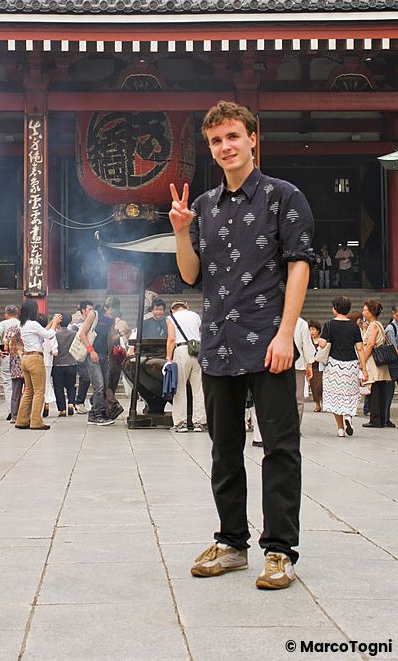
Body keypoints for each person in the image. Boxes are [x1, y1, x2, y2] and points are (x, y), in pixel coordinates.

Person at [169, 100, 313, 591]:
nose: (225, 147)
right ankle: (232, 542)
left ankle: (279, 551)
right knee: (223, 449)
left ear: (253, 138)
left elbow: (299, 265)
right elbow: (190, 275)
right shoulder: (205, 206)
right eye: (216, 141)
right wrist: (181, 231)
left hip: (269, 337)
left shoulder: (284, 196)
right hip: (218, 343)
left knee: (279, 448)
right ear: (210, 149)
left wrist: (285, 334)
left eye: (233, 136)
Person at [316, 297, 364, 437]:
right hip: (351, 365)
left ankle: (340, 429)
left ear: (335, 309)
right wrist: (364, 369)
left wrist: (319, 339)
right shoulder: (354, 326)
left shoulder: (329, 325)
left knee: (335, 395)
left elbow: (323, 344)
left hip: (334, 365)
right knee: (349, 394)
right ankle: (348, 416)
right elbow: (360, 348)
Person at [15, 300, 61, 431]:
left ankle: (22, 420)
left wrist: (52, 322)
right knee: (39, 391)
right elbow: (49, 335)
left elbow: (41, 335)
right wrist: (55, 323)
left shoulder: (23, 324)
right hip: (36, 359)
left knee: (29, 391)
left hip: (26, 359)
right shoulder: (33, 324)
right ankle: (36, 421)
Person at [78, 296, 124, 426]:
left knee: (105, 385)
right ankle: (97, 415)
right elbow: (82, 333)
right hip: (92, 353)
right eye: (111, 311)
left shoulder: (112, 319)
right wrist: (91, 350)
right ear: (105, 307)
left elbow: (110, 337)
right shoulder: (94, 314)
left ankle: (96, 412)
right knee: (99, 385)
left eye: (114, 312)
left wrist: (121, 334)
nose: (112, 314)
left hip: (104, 354)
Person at [165, 300, 205, 433]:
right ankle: (199, 423)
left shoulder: (171, 318)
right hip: (197, 351)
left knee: (180, 388)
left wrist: (168, 358)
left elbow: (171, 338)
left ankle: (181, 423)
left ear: (172, 310)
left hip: (181, 351)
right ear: (186, 306)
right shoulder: (195, 316)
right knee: (198, 389)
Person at [361, 299, 394, 429]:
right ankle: (380, 419)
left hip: (374, 361)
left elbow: (370, 344)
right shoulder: (378, 324)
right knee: (379, 390)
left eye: (365, 310)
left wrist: (362, 360)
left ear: (371, 312)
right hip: (380, 362)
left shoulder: (373, 325)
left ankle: (375, 419)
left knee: (374, 390)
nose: (363, 312)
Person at [0, 305, 19, 419]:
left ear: (6, 314)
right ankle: (18, 408)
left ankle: (11, 410)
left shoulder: (3, 324)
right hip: (19, 356)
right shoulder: (20, 323)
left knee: (7, 383)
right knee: (18, 383)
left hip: (7, 354)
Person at [52, 313, 77, 416]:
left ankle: (62, 409)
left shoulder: (55, 334)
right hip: (71, 363)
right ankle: (71, 403)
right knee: (71, 386)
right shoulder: (74, 334)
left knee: (58, 387)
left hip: (58, 364)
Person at [71, 300, 94, 413]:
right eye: (89, 309)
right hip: (81, 355)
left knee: (87, 378)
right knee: (86, 377)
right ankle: (79, 402)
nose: (91, 311)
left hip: (91, 354)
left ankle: (83, 401)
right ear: (83, 311)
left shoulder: (93, 322)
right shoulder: (76, 325)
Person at [294, 316, 315, 424]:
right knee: (298, 398)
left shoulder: (274, 318)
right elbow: (306, 345)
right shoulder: (301, 323)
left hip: (278, 364)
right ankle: (295, 426)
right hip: (298, 364)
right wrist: (309, 365)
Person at [308, 320, 323, 412]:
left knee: (322, 385)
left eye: (313, 329)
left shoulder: (322, 341)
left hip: (321, 366)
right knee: (315, 386)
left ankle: (324, 402)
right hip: (312, 366)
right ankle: (317, 404)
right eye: (310, 330)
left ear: (318, 330)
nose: (312, 332)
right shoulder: (308, 341)